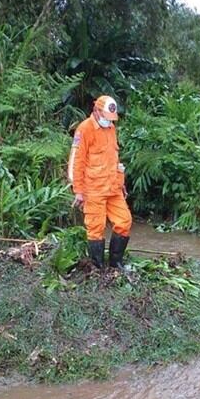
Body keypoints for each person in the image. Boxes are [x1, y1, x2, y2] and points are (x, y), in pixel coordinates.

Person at [68, 95, 132, 269]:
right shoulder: (84, 129)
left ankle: (115, 263)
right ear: (96, 110)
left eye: (110, 118)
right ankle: (97, 267)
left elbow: (113, 159)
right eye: (105, 117)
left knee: (124, 221)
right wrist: (79, 191)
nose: (108, 121)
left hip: (113, 188)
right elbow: (77, 162)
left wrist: (121, 182)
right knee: (96, 229)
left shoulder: (111, 128)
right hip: (93, 190)